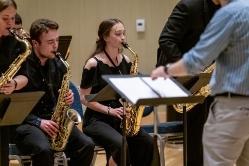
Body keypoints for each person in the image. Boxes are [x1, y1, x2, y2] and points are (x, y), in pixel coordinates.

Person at [151, 0, 249, 165]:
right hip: (195, 82)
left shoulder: (229, 13)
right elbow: (167, 39)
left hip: (228, 97)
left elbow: (197, 59)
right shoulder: (189, 6)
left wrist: (168, 70)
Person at [15, 18, 95, 166]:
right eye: (50, 42)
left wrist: (67, 98)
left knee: (87, 145)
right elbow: (14, 107)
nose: (56, 46)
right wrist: (39, 122)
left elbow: (59, 95)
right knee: (43, 150)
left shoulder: (58, 64)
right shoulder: (22, 66)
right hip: (27, 123)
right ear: (35, 43)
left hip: (54, 120)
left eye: (57, 40)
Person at [80, 18, 154, 166]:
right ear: (105, 37)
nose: (123, 38)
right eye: (118, 34)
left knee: (147, 141)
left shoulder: (125, 60)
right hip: (97, 119)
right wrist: (109, 110)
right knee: (121, 144)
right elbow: (83, 98)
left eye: (124, 33)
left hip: (120, 117)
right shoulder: (93, 64)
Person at [156, 0, 220, 165]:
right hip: (188, 78)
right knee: (197, 132)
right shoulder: (189, 6)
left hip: (214, 76)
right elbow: (166, 40)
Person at [0, 0, 29, 165]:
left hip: (3, 107)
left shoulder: (15, 41)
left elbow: (25, 75)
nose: (11, 23)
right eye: (5, 18)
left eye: (12, 18)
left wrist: (15, 83)